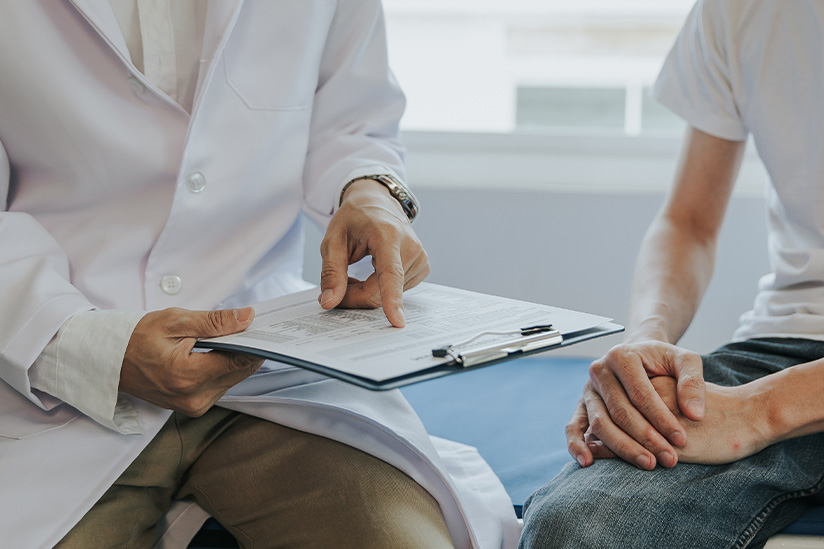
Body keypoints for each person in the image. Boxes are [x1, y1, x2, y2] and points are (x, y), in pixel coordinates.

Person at [0, 1, 520, 547]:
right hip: (43, 362)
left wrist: (371, 193)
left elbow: (351, 117)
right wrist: (85, 347)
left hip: (268, 366)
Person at [519, 1, 824, 548]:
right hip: (790, 342)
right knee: (576, 531)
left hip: (777, 389)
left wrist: (759, 412)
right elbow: (689, 222)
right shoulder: (741, 10)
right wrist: (644, 346)